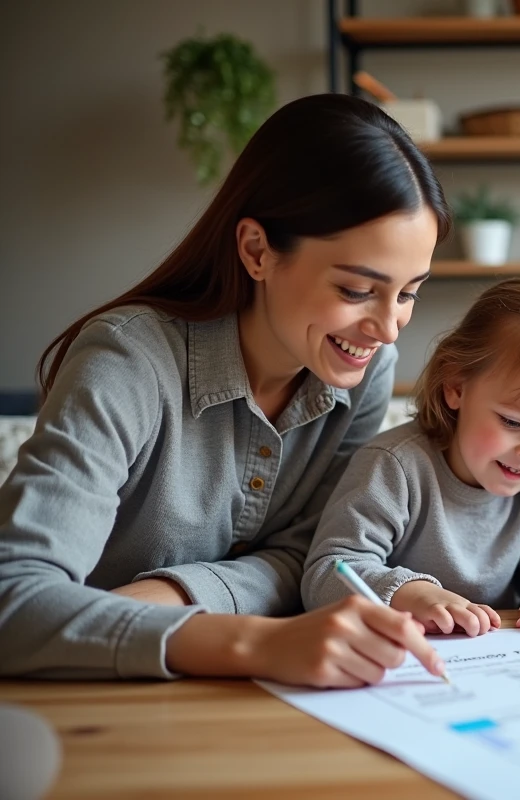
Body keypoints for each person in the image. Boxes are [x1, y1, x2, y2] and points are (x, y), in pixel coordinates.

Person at [0, 94, 448, 687]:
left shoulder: (365, 369)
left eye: (410, 292)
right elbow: (13, 601)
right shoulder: (126, 360)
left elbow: (312, 558)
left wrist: (169, 595)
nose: (388, 327)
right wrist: (252, 638)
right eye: (357, 290)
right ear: (257, 251)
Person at [302, 277, 520, 636]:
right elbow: (328, 571)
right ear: (456, 386)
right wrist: (414, 595)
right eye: (512, 421)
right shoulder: (393, 465)